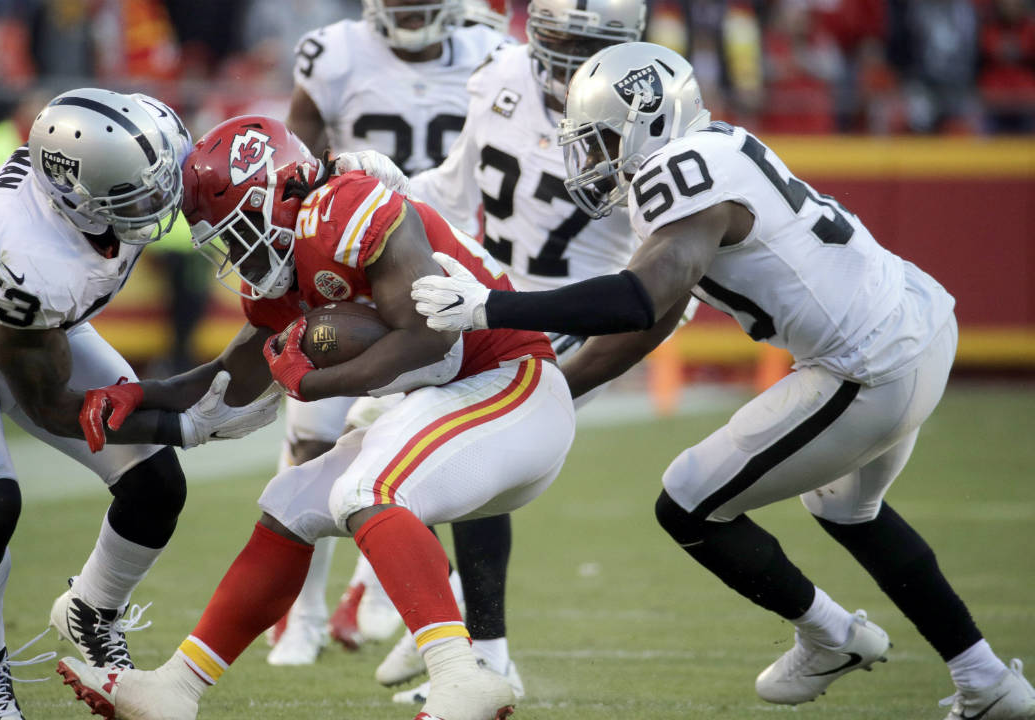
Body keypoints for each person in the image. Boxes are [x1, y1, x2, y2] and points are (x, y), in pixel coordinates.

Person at [410, 42, 1035, 720]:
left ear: (649, 120)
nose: (592, 159)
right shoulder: (712, 148)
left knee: (687, 502)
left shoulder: (676, 170)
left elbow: (639, 298)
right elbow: (656, 315)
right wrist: (557, 384)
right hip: (918, 321)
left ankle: (830, 636)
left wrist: (489, 307)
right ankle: (987, 682)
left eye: (602, 139)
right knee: (847, 510)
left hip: (867, 363)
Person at [57, 114, 573, 720]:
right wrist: (144, 396)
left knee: (367, 488)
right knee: (291, 502)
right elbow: (234, 374)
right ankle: (176, 689)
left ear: (270, 192)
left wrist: (318, 381)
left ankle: (462, 678)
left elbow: (432, 336)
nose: (235, 252)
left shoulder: (346, 205)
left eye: (237, 228)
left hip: (514, 382)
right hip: (465, 400)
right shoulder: (283, 271)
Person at [0, 88, 278, 720]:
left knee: (156, 486)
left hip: (48, 326)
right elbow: (51, 406)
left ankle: (91, 610)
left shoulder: (117, 167)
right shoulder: (24, 254)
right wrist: (185, 425)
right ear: (78, 199)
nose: (159, 204)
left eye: (159, 183)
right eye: (136, 198)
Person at [368, 0, 664, 703]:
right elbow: (457, 184)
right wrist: (389, 190)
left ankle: (471, 642)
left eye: (583, 43)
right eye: (557, 37)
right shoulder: (499, 73)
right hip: (488, 289)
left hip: (574, 308)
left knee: (449, 449)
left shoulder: (647, 113)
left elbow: (664, 260)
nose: (563, 57)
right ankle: (454, 629)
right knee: (416, 450)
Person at [271, 0, 511, 667]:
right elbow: (295, 162)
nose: (411, 16)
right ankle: (304, 611)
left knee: (411, 440)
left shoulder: (489, 59)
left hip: (436, 264)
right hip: (344, 266)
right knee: (313, 433)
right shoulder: (333, 53)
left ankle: (382, 597)